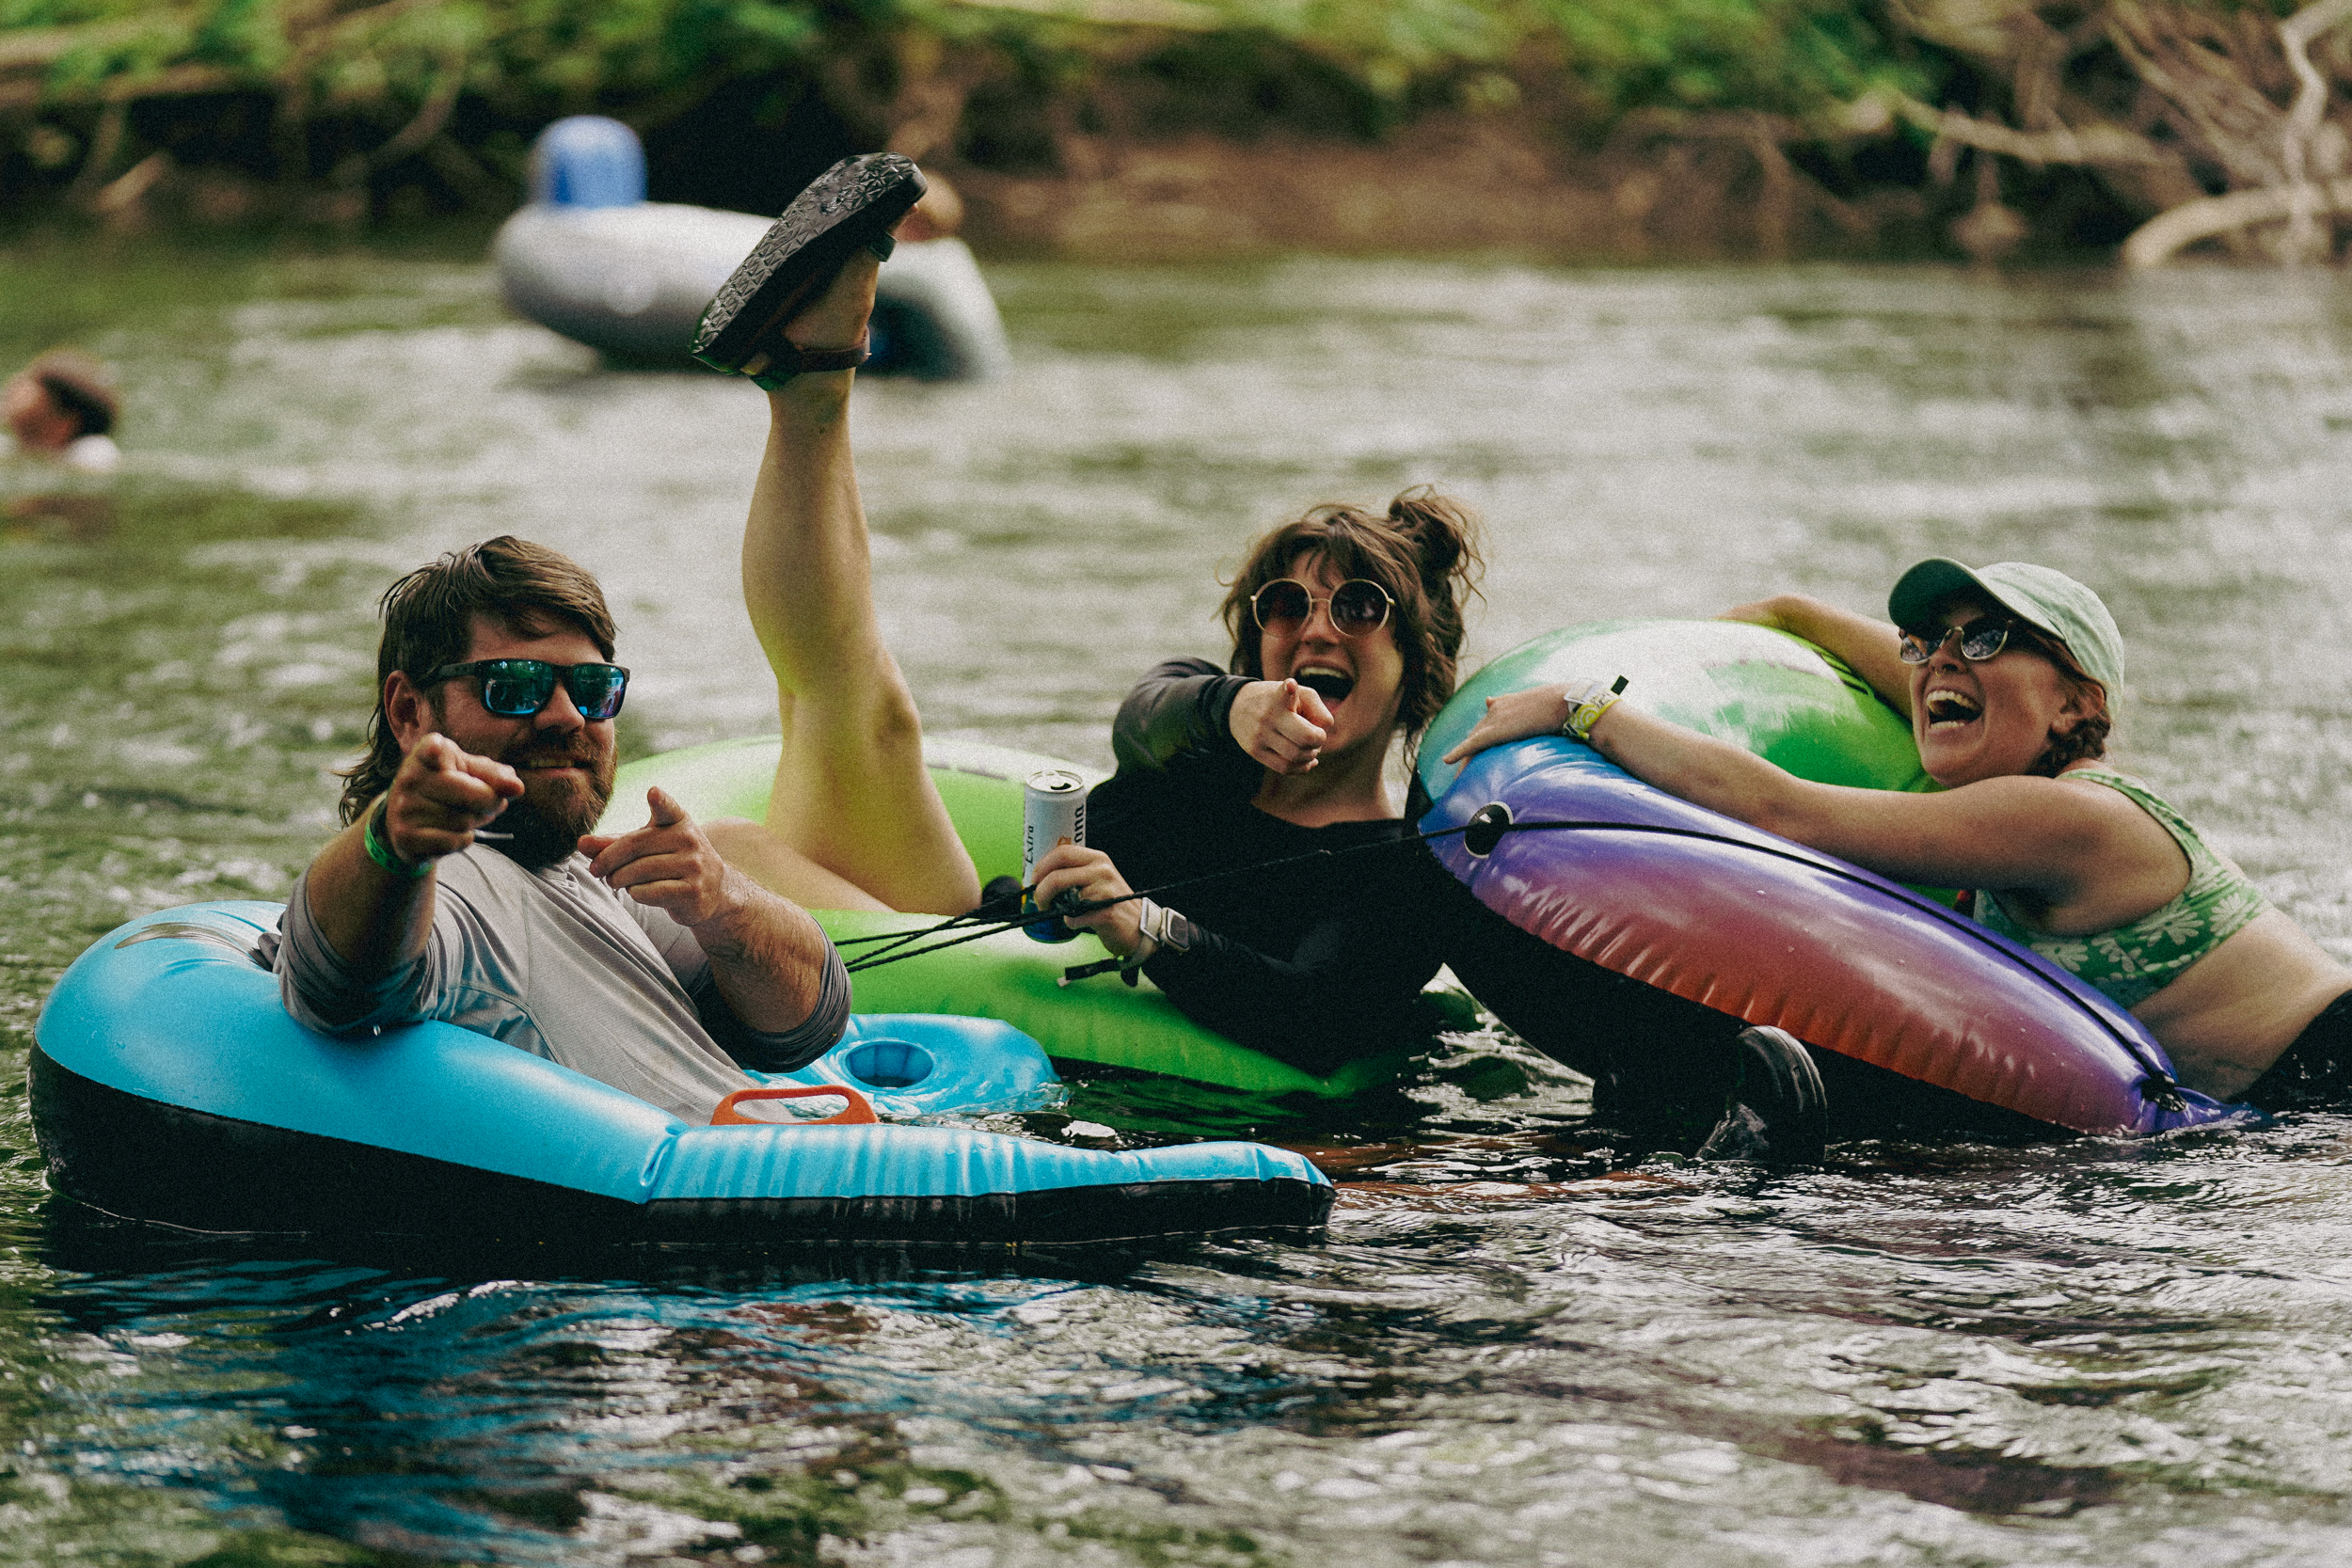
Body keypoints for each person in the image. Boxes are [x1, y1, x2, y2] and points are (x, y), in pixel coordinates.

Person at [1441, 557, 2352, 1110]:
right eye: (1927, 641)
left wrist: (1582, 707)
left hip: (2327, 1080)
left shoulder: (2072, 813)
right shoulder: (2006, 754)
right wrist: (1790, 614)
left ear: (2077, 701)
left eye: (1989, 637)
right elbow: (1918, 676)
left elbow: (1784, 812)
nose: (1942, 659)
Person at [274, 536, 852, 1125]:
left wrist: (727, 904)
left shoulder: (585, 874)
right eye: (515, 686)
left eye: (591, 689)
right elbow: (340, 985)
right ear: (409, 712)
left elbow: (804, 1026)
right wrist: (393, 844)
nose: (566, 716)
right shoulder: (460, 883)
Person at [1019, 496, 1486, 1075]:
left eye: (1359, 607)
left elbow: (1315, 1013)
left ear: (1415, 660)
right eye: (1289, 606)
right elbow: (1139, 720)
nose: (1317, 631)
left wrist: (1143, 928)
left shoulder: (1405, 871)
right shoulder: (1190, 733)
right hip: (981, 942)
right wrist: (1234, 704)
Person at [4, 349, 120, 474]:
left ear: (64, 424)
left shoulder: (92, 452)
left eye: (26, 392)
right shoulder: (11, 448)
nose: (13, 388)